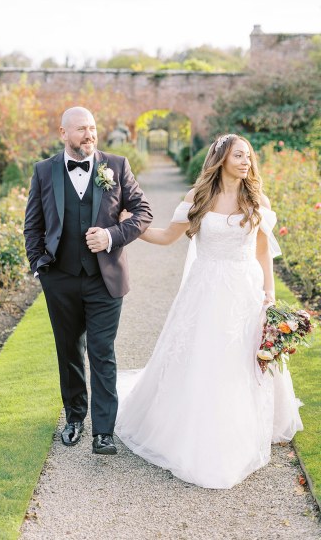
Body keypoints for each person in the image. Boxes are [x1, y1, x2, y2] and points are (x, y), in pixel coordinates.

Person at [115, 133, 303, 489]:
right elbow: (168, 236)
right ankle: (198, 431)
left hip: (244, 290)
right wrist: (130, 227)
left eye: (248, 156)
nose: (246, 161)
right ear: (221, 160)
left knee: (243, 361)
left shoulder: (256, 199)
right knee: (204, 358)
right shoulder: (198, 197)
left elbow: (263, 252)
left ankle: (242, 427)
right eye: (238, 155)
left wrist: (269, 297)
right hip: (205, 290)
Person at [24, 106, 152, 455]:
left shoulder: (118, 165)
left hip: (104, 279)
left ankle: (104, 431)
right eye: (81, 129)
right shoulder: (44, 171)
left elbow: (143, 213)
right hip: (60, 279)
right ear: (63, 133)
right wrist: (40, 267)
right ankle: (75, 417)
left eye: (92, 128)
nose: (89, 134)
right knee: (68, 351)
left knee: (101, 352)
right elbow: (33, 225)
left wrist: (111, 236)